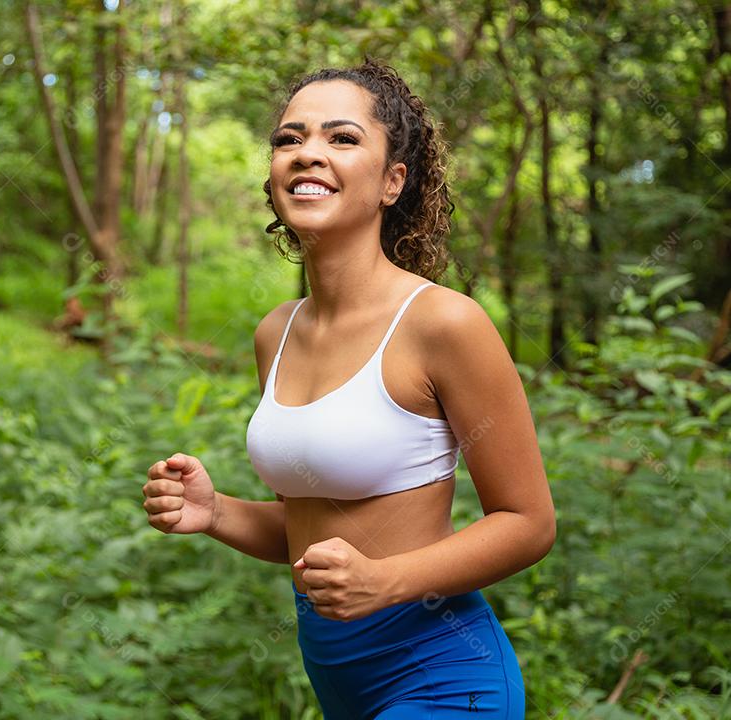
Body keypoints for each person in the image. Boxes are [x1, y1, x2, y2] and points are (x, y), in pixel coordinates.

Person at [142, 56, 555, 719]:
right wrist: (215, 513)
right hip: (341, 687)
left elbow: (528, 524)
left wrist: (384, 581)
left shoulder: (443, 324)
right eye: (290, 138)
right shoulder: (276, 333)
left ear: (393, 181)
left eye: (342, 137)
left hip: (445, 680)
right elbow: (312, 530)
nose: (308, 152)